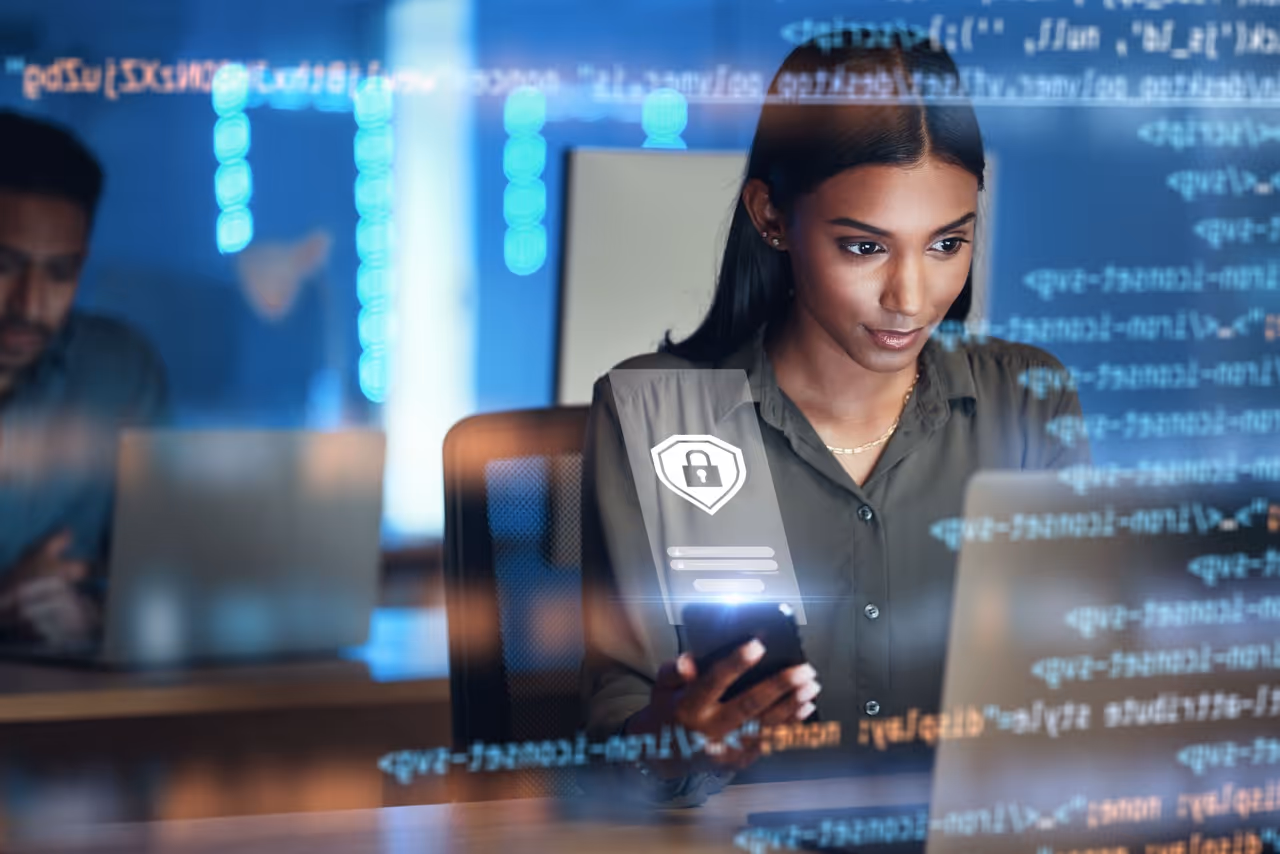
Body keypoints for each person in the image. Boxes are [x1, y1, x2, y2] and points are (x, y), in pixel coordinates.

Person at [579, 33, 1090, 805]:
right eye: (863, 247)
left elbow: (1079, 682)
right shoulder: (656, 413)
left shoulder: (1026, 402)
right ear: (772, 218)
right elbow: (620, 728)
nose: (912, 298)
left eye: (948, 243)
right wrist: (672, 739)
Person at [0, 110, 168, 649]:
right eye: (3, 265)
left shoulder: (119, 371)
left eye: (59, 273)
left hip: (77, 714)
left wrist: (92, 618)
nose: (29, 304)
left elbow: (166, 579)